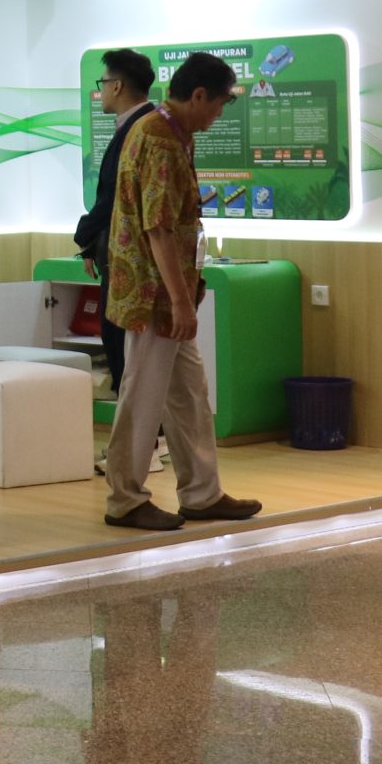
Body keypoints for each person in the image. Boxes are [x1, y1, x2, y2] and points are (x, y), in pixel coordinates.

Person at [102, 52, 264, 532]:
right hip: (154, 296)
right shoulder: (160, 139)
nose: (218, 116)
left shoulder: (169, 132)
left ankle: (201, 493)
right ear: (198, 95)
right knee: (142, 396)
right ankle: (125, 499)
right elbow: (158, 228)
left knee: (189, 394)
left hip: (167, 292)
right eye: (219, 105)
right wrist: (178, 300)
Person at [73, 49, 158, 394]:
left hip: (132, 262)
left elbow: (115, 196)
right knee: (119, 344)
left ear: (118, 86)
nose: (102, 91)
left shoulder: (142, 129)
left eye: (103, 82)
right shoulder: (137, 125)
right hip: (117, 252)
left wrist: (84, 233)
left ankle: (139, 426)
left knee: (125, 349)